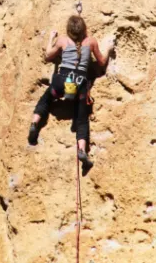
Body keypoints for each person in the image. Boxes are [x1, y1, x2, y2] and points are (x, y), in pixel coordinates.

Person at [28, 15, 114, 172]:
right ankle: (81, 150)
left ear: (68, 30)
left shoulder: (62, 41)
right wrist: (108, 49)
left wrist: (50, 38)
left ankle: (34, 124)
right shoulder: (92, 42)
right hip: (80, 84)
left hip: (61, 81)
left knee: (46, 100)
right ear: (84, 29)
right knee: (81, 119)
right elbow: (102, 63)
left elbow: (48, 56)